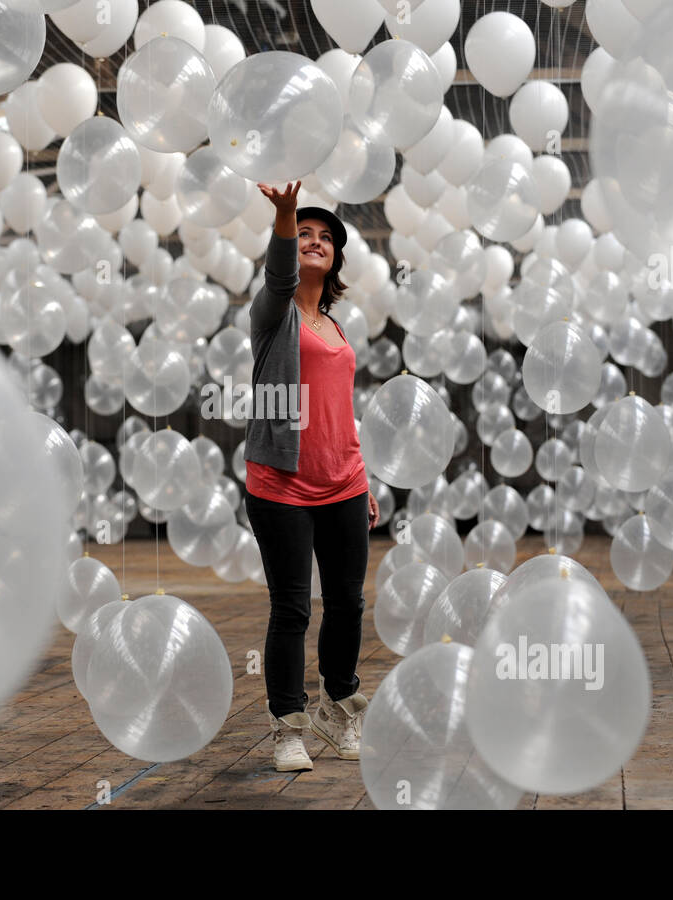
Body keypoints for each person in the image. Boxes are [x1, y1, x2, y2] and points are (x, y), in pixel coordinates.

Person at [243, 180, 380, 773]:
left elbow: (339, 408)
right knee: (292, 609)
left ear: (337, 258)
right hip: (283, 486)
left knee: (347, 604)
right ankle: (287, 726)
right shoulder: (273, 315)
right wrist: (285, 214)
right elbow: (278, 276)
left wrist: (364, 476)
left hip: (343, 481)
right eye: (305, 235)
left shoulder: (335, 327)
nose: (314, 241)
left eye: (325, 238)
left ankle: (338, 704)